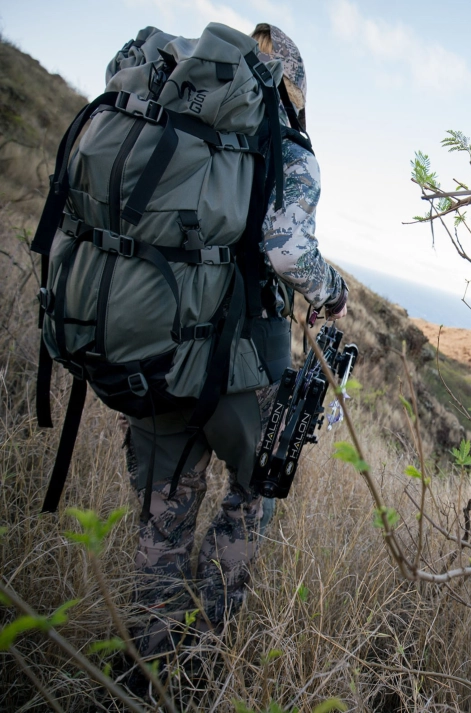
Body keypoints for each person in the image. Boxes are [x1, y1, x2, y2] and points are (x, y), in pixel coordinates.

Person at [124, 23, 347, 661]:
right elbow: (287, 250)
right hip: (237, 366)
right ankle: (202, 656)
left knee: (164, 515)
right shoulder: (287, 145)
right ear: (292, 90)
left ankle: (148, 663)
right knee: (252, 495)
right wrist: (331, 292)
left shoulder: (172, 123)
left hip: (153, 348)